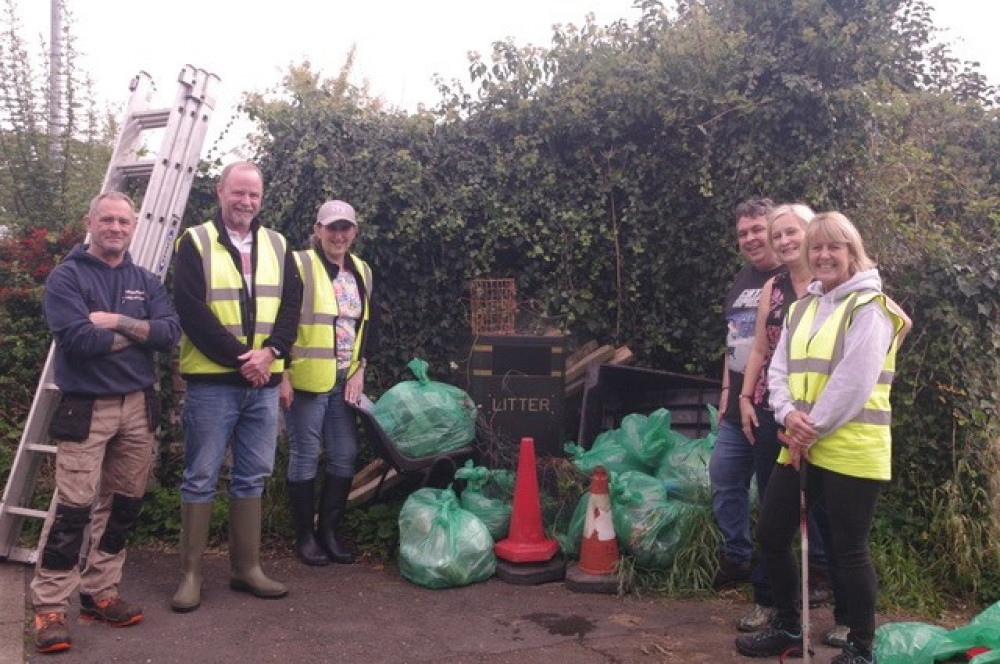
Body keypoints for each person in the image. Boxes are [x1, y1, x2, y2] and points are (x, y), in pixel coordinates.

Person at [735, 212, 907, 664]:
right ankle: (790, 627)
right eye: (817, 248)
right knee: (772, 534)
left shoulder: (871, 309)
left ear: (853, 252)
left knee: (850, 549)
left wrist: (808, 429)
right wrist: (789, 414)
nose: (824, 255)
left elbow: (855, 382)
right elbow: (779, 370)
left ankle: (860, 647)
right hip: (800, 442)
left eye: (835, 247)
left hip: (850, 449)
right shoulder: (800, 308)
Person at [31, 192, 181, 653]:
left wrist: (114, 321)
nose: (116, 227)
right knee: (73, 508)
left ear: (133, 227)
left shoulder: (144, 279)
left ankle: (100, 591)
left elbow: (170, 332)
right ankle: (50, 606)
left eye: (124, 221)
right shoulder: (67, 277)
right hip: (87, 406)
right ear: (90, 223)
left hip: (138, 405)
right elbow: (77, 339)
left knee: (123, 505)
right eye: (108, 220)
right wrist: (139, 333)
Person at [170, 161, 301, 612]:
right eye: (238, 193)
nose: (246, 202)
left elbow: (291, 308)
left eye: (254, 195)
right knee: (201, 476)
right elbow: (190, 309)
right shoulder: (195, 241)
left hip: (264, 382)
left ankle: (247, 569)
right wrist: (243, 361)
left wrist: (270, 354)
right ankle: (190, 575)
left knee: (252, 475)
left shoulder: (279, 244)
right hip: (213, 384)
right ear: (220, 191)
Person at [280, 200, 373, 566]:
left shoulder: (362, 271)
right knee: (305, 456)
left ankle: (328, 533)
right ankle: (304, 537)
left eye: (345, 228)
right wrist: (282, 373)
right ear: (317, 230)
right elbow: (281, 320)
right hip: (306, 380)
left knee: (345, 454)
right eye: (331, 228)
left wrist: (360, 366)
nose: (338, 235)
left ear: (354, 232)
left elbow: (365, 328)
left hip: (344, 380)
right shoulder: (300, 263)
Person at [709, 198, 784, 591]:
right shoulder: (741, 280)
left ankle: (787, 573)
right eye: (743, 233)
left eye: (758, 229)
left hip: (772, 407)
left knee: (776, 494)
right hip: (737, 405)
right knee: (723, 478)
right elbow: (734, 339)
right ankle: (736, 556)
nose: (751, 238)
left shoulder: (793, 278)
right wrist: (726, 388)